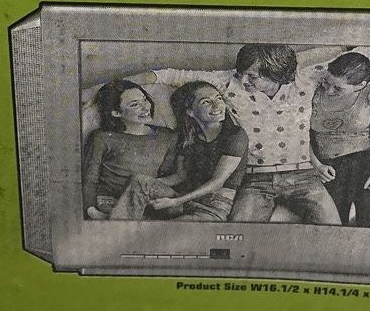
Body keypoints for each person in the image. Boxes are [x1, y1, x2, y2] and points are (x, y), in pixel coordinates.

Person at [143, 45, 340, 223]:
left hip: (303, 176)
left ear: (275, 74)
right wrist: (126, 84)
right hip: (256, 179)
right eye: (241, 74)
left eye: (252, 77)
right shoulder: (229, 83)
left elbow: (350, 61)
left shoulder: (305, 81)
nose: (243, 80)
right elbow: (171, 75)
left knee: (334, 228)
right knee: (238, 230)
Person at [109, 82, 248, 221]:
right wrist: (140, 188)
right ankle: (117, 227)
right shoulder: (188, 138)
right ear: (190, 112)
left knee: (161, 230)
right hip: (184, 200)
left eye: (219, 98)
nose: (217, 106)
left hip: (212, 206)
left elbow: (217, 182)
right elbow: (179, 176)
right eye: (206, 102)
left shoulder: (235, 135)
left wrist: (176, 201)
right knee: (140, 180)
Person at [312, 51, 370, 227]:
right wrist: (315, 164)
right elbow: (298, 133)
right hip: (327, 167)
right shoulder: (312, 87)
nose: (329, 90)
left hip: (364, 163)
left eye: (338, 88)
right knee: (331, 223)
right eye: (327, 82)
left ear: (360, 85)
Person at [81, 80, 174, 219]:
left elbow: (167, 176)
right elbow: (90, 179)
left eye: (144, 99)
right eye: (134, 104)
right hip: (110, 202)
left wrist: (142, 190)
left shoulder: (167, 136)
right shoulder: (102, 137)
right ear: (116, 112)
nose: (145, 107)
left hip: (148, 201)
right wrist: (92, 211)